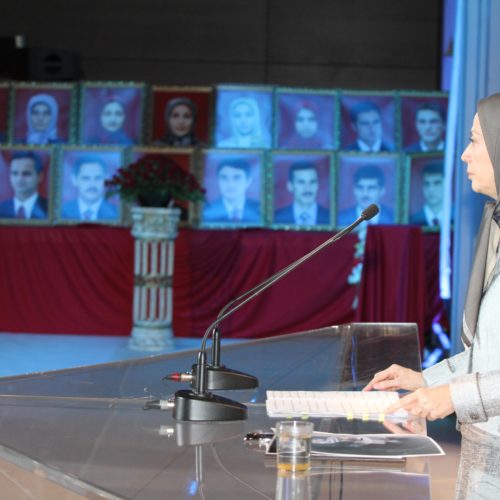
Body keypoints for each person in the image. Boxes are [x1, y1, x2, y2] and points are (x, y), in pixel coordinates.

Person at [364, 93, 500, 498]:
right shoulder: (493, 224)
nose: (463, 155)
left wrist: (448, 397)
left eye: (475, 141)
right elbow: (490, 354)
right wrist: (427, 379)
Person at [202, 158, 260, 223]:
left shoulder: (261, 210)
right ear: (218, 181)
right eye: (224, 178)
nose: (230, 184)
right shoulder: (205, 212)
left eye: (237, 178)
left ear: (248, 181)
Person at [61, 155, 118, 221]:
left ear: (106, 179)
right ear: (75, 180)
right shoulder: (61, 212)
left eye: (98, 178)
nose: (92, 184)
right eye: (86, 178)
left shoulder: (116, 213)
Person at [274, 161, 330, 225]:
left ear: (318, 185)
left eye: (312, 182)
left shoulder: (331, 218)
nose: (307, 188)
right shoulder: (277, 218)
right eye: (301, 182)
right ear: (290, 186)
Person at [0, 151, 48, 219]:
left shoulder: (50, 209)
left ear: (40, 176)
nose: (19, 179)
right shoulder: (1, 209)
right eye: (15, 173)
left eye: (26, 174)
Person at [410, 161, 444, 227]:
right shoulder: (412, 220)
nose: (431, 190)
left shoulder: (458, 217)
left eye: (437, 183)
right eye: (426, 184)